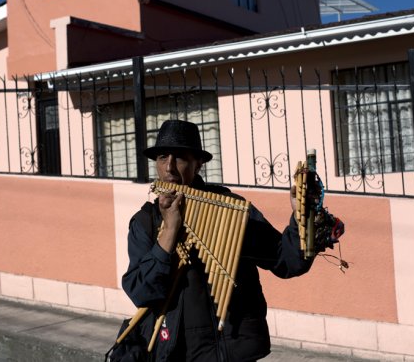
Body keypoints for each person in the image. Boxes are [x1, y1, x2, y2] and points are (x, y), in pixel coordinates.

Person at [122, 120, 334, 362]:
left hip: (234, 350)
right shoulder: (144, 222)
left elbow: (286, 261)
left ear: (198, 164)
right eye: (162, 157)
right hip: (177, 352)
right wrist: (170, 232)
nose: (169, 167)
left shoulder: (231, 209)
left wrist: (300, 216)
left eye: (180, 157)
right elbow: (140, 292)